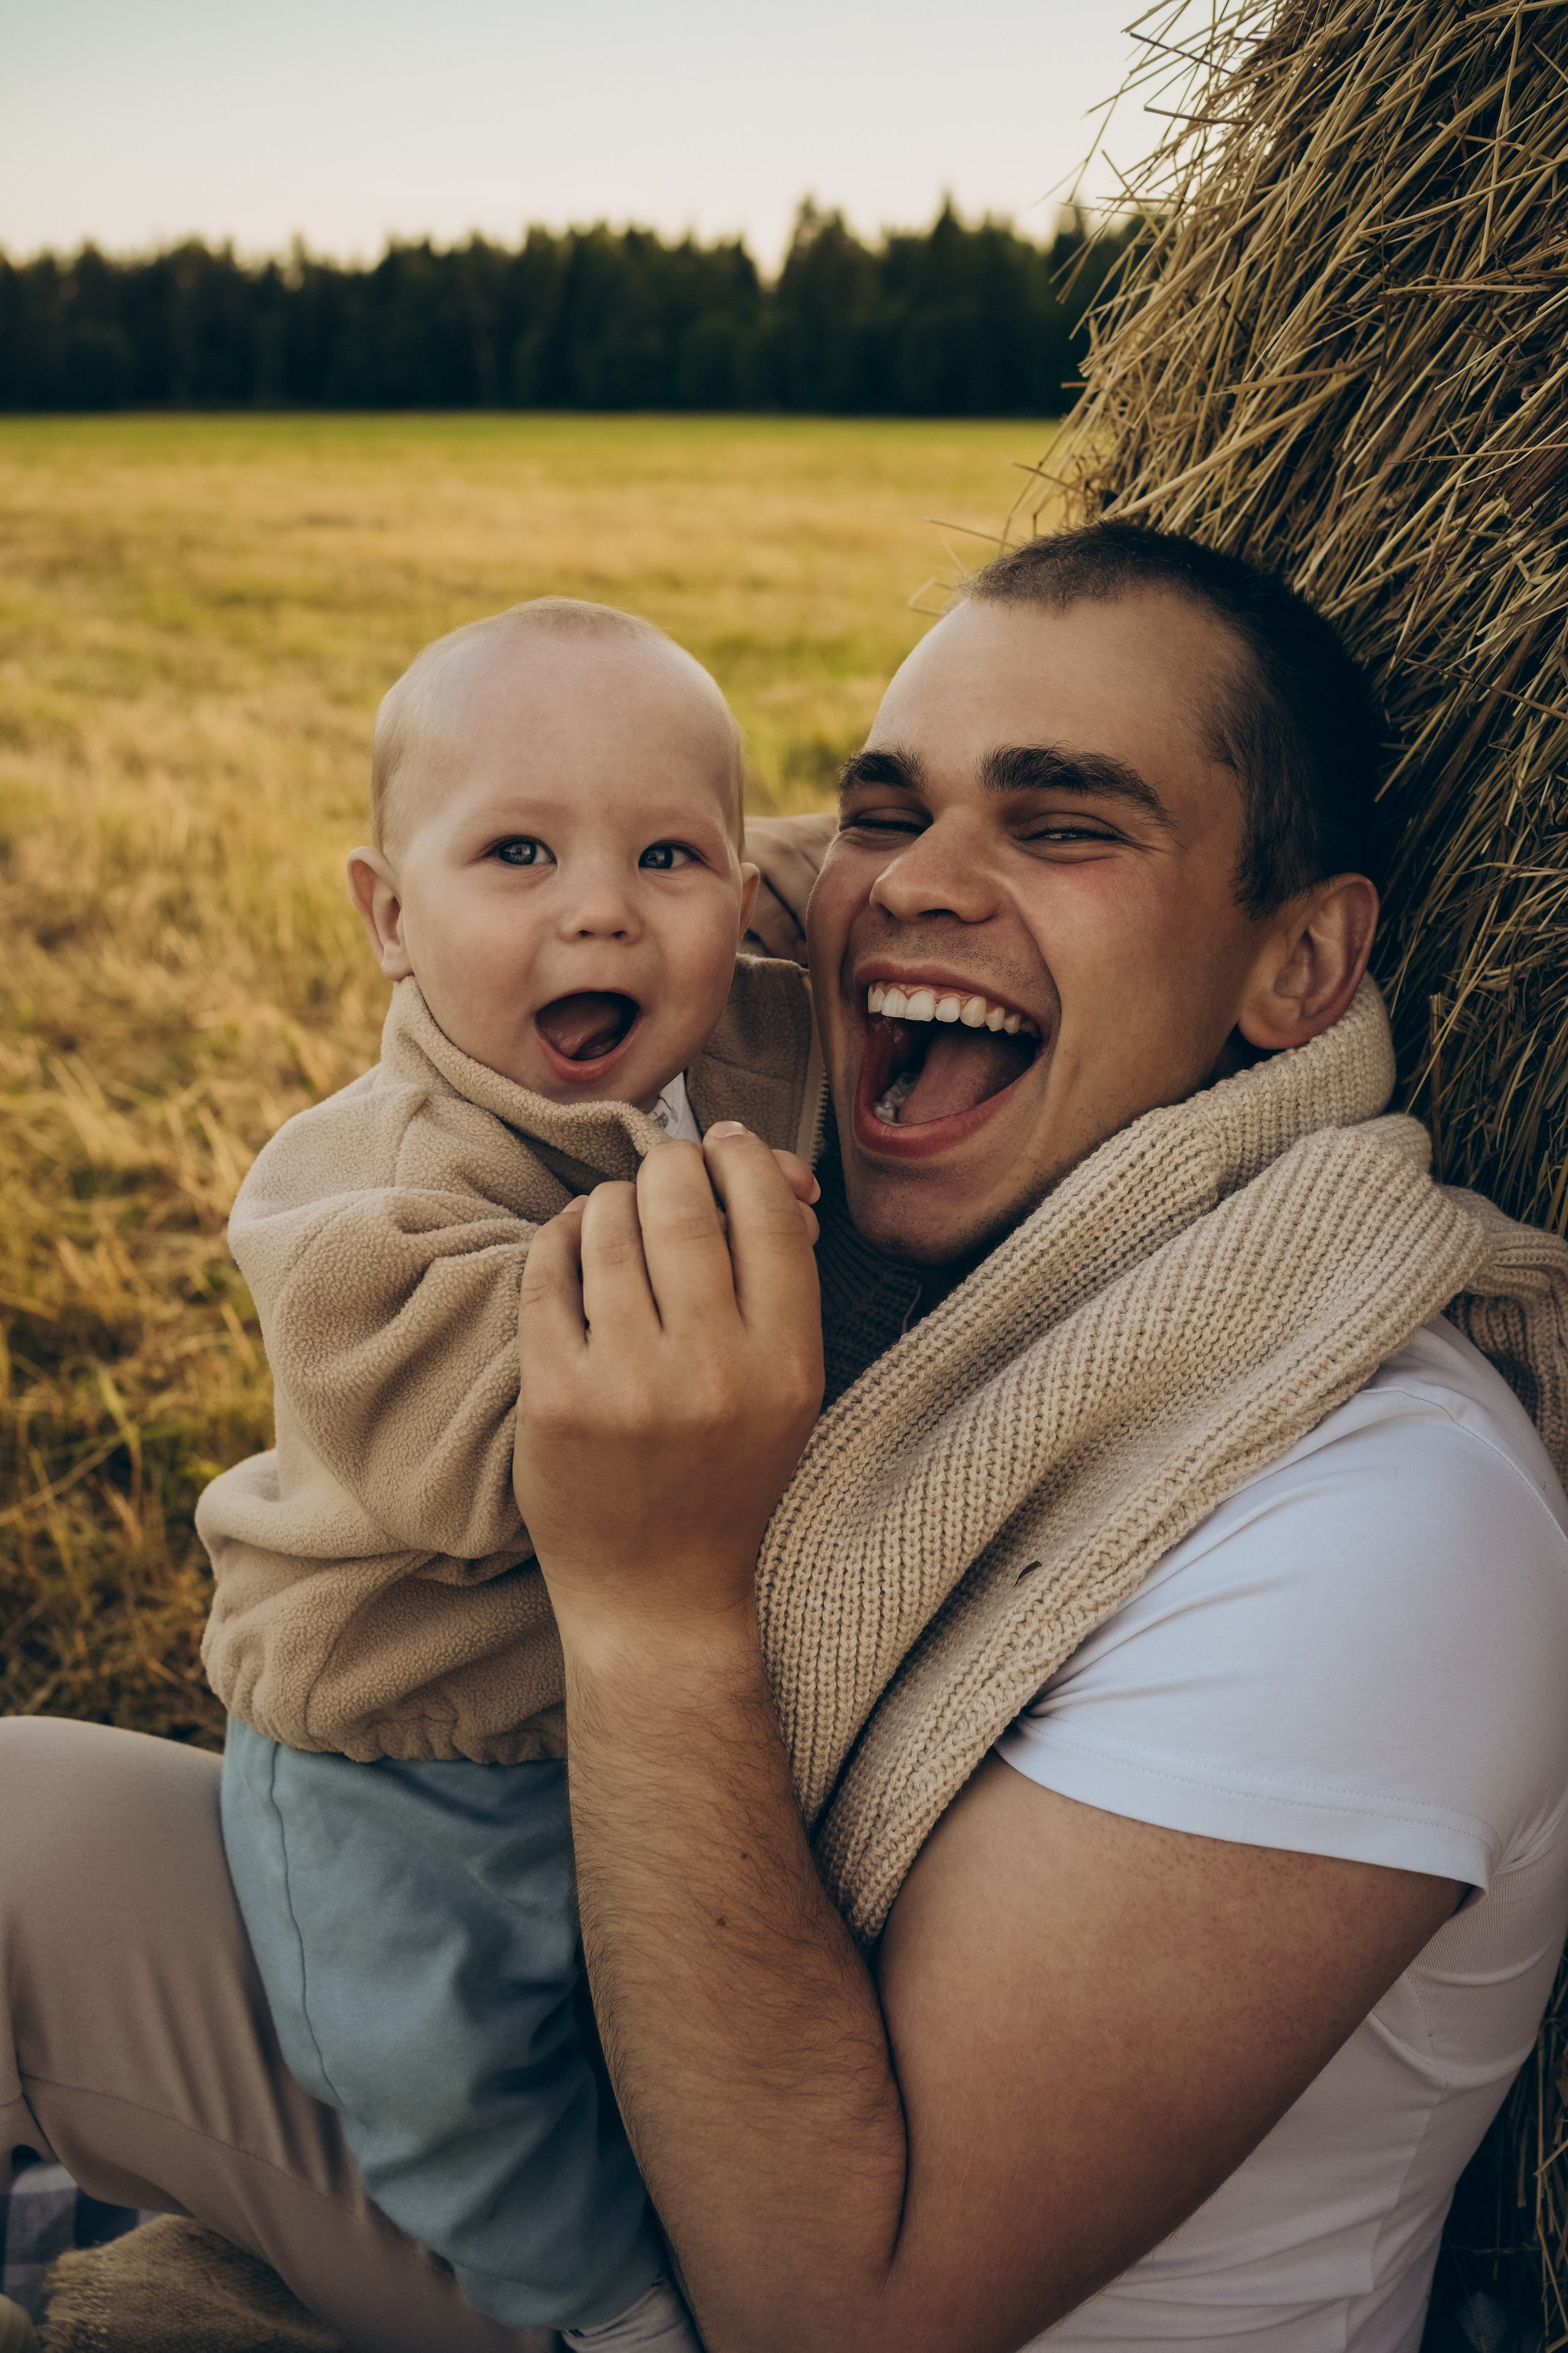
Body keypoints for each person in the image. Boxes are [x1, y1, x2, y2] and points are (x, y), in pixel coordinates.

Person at [4, 524, 1567, 2353]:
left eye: (1063, 824)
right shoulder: (1004, 1285)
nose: (915, 889)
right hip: (627, 2076)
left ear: (1300, 964)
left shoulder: (1386, 1523)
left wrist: (655, 1600)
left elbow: (841, 2315)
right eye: (887, 815)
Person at [197, 595, 819, 2351]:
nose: (602, 905)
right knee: (446, 2072)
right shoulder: (354, 1203)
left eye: (668, 856)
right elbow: (520, 1455)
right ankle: (599, 2310)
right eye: (520, 851)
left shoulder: (741, 1023)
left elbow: (843, 869)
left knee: (654, 2019)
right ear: (388, 917)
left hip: (606, 1719)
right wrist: (726, 1242)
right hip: (393, 1758)